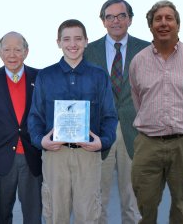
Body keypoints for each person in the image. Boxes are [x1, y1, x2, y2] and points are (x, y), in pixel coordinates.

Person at [28, 19, 117, 224]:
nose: (73, 44)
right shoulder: (45, 76)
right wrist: (41, 141)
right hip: (55, 154)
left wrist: (102, 142)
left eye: (78, 38)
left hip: (88, 154)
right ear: (58, 42)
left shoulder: (99, 75)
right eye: (66, 39)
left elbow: (110, 116)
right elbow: (35, 116)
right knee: (55, 214)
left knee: (88, 215)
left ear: (86, 41)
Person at [129, 0, 183, 224]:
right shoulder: (138, 61)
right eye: (158, 19)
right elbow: (138, 99)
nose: (163, 23)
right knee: (145, 204)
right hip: (148, 143)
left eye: (169, 18)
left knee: (181, 202)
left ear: (178, 24)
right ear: (150, 26)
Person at [83, 0, 150, 224]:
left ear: (130, 19)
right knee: (96, 198)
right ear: (103, 21)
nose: (116, 21)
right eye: (110, 17)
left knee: (133, 201)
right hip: (100, 133)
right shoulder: (88, 51)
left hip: (136, 133)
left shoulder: (147, 49)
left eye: (121, 16)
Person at [0, 32, 42, 224]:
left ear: (26, 52)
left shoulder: (40, 78)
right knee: (1, 215)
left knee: (34, 215)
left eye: (17, 49)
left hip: (32, 158)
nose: (12, 54)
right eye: (6, 49)